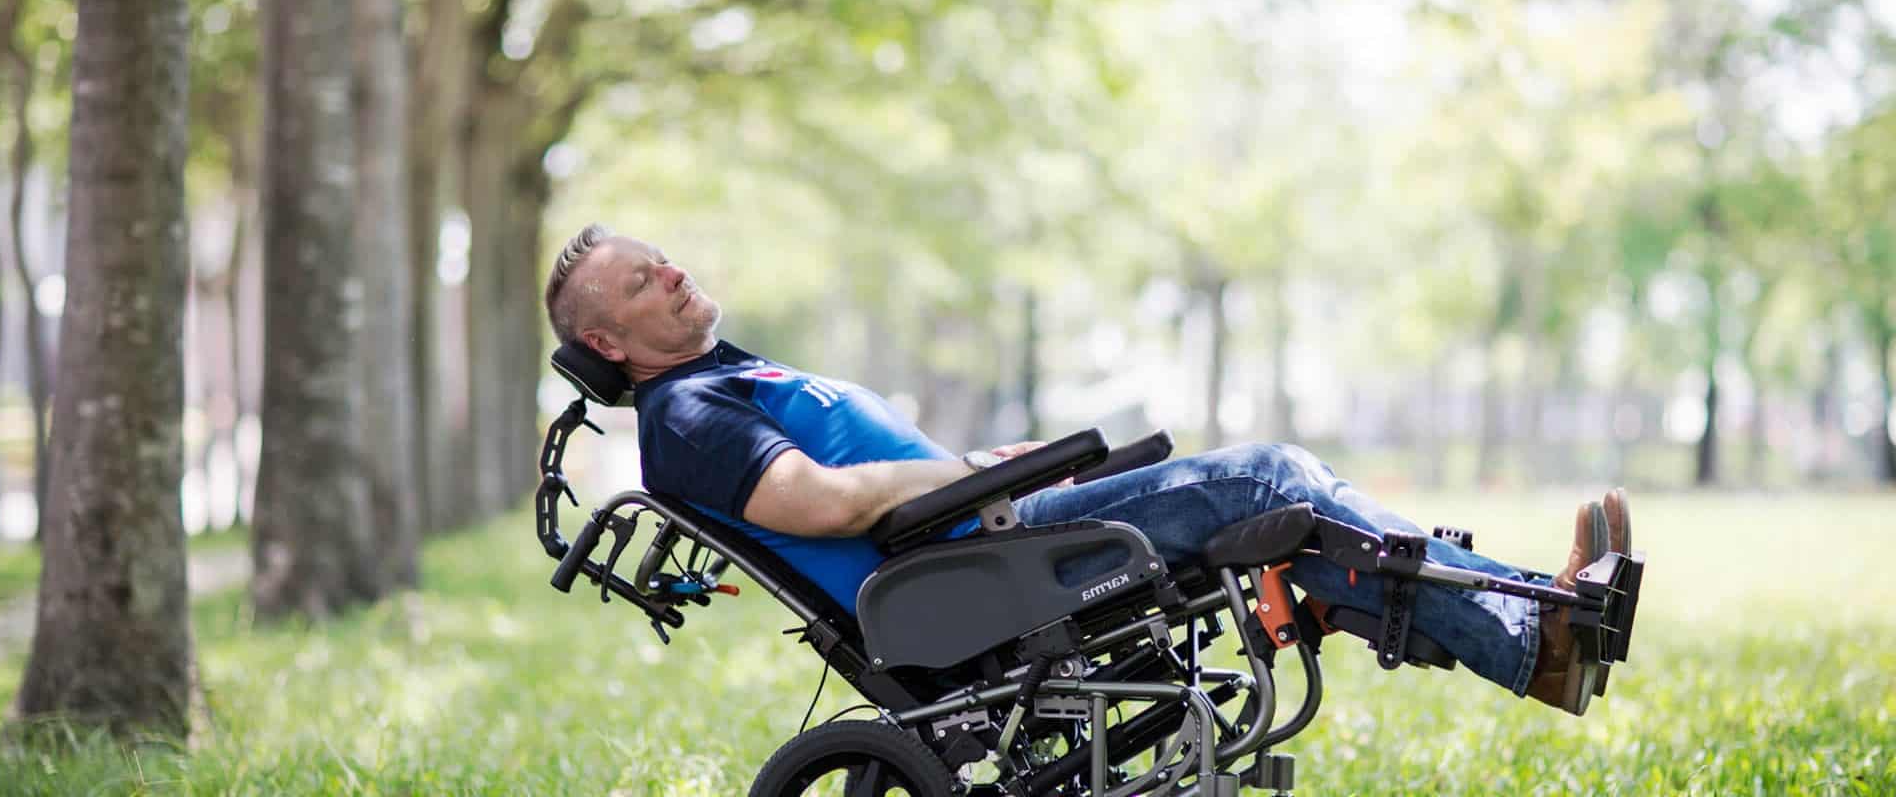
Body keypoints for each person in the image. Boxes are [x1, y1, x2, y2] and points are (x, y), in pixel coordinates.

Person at [543, 225, 1634, 716]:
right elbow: (817, 504)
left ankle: (1527, 626)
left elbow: (869, 480)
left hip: (982, 540)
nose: (673, 273)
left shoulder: (726, 379)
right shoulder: (691, 409)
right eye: (644, 282)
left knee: (1272, 507)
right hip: (965, 582)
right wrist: (968, 475)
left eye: (664, 259)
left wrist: (985, 471)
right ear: (612, 347)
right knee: (1264, 484)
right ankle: (1533, 635)